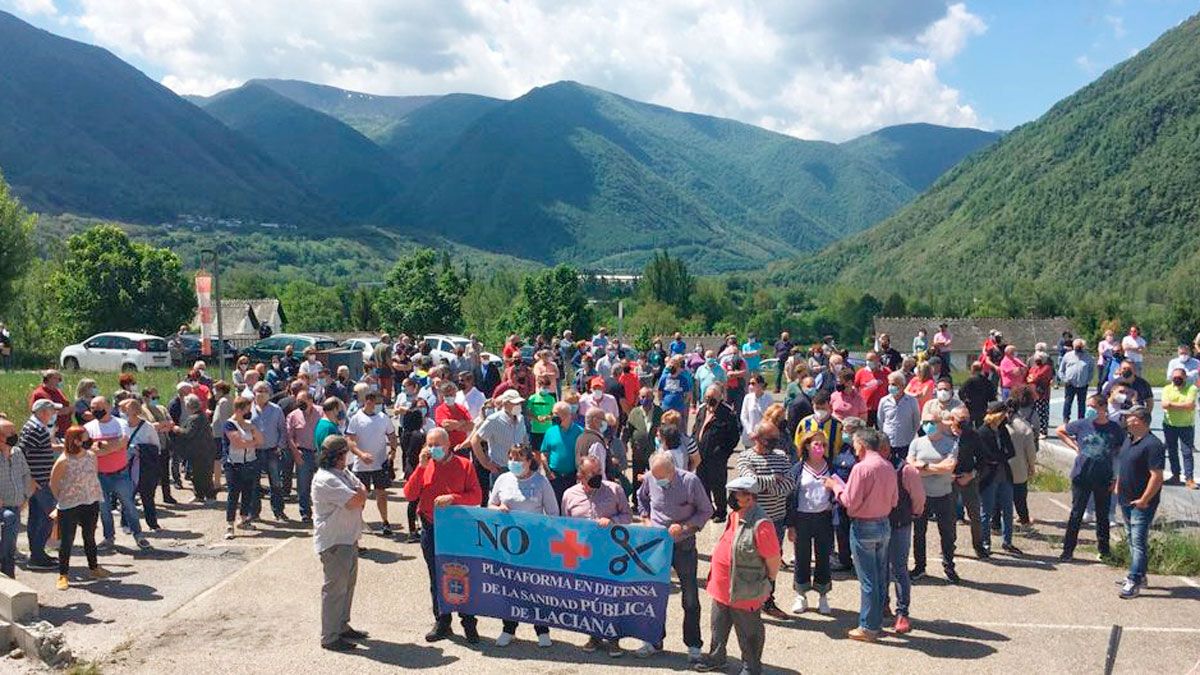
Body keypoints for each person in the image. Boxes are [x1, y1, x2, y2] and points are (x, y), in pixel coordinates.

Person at [692, 475, 779, 675]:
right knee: (718, 627)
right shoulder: (735, 514)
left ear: (749, 497)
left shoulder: (761, 524)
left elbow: (772, 559)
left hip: (745, 589)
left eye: (736, 494)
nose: (731, 498)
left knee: (749, 633)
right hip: (722, 586)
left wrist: (768, 583)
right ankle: (716, 658)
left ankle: (751, 667)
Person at [403, 427, 483, 642]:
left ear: (448, 445)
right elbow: (409, 494)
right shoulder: (424, 466)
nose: (433, 449)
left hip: (457, 528)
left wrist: (453, 498)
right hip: (430, 526)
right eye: (430, 444)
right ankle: (442, 621)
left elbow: (476, 496)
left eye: (437, 445)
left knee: (462, 574)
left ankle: (469, 622)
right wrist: (420, 468)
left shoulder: (464, 465)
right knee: (436, 575)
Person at [636, 450, 712, 662]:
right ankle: (653, 640)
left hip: (683, 545)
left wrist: (686, 526)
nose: (657, 480)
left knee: (690, 598)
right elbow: (641, 499)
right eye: (655, 476)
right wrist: (645, 519)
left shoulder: (690, 481)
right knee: (654, 595)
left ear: (673, 470)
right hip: (657, 546)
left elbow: (706, 511)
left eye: (662, 477)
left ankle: (694, 645)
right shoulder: (651, 478)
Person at [826, 428, 898, 642]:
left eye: (856, 444)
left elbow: (850, 502)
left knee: (868, 580)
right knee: (879, 576)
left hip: (864, 526)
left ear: (863, 445)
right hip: (884, 524)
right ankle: (876, 621)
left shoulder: (861, 468)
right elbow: (894, 500)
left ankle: (868, 627)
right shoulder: (888, 466)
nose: (854, 448)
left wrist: (836, 487)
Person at [488, 444, 558, 647]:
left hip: (534, 543)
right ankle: (509, 628)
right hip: (508, 544)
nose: (514, 463)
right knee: (510, 587)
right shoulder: (503, 479)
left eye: (519, 459)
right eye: (511, 458)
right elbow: (490, 505)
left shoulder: (541, 481)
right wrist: (498, 508)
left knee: (536, 588)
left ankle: (542, 629)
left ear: (529, 461)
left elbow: (553, 513)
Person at [561, 454, 631, 657]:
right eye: (591, 473)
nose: (597, 476)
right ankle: (594, 636)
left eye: (599, 472)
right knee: (589, 597)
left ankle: (614, 639)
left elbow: (627, 516)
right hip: (583, 556)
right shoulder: (569, 495)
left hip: (611, 554)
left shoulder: (614, 490)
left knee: (612, 597)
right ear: (580, 475)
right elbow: (565, 526)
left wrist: (612, 521)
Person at [311, 435, 368, 651]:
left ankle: (342, 625)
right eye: (345, 453)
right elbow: (358, 499)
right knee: (335, 589)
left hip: (348, 538)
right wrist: (359, 494)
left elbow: (361, 489)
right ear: (338, 456)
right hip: (335, 542)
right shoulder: (327, 479)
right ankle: (330, 636)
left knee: (347, 586)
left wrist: (359, 493)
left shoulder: (342, 473)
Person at [735, 422, 794, 620]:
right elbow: (749, 483)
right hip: (751, 521)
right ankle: (747, 600)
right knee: (749, 561)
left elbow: (789, 484)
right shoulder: (745, 457)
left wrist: (767, 485)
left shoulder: (781, 457)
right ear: (757, 438)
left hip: (775, 519)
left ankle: (768, 601)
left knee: (772, 563)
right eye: (770, 440)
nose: (774, 444)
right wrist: (773, 479)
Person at [1056, 395, 1123, 561]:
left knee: (1102, 516)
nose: (1089, 410)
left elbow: (1119, 452)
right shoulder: (1081, 424)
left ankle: (1104, 551)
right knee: (1076, 514)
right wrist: (1074, 446)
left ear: (1102, 408)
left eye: (1092, 406)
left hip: (1103, 476)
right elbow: (1060, 430)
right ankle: (1068, 550)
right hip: (1081, 476)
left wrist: (1116, 477)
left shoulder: (1114, 428)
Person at [84, 398, 150, 550]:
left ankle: (138, 535)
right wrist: (111, 446)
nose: (95, 411)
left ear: (107, 407)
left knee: (129, 505)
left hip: (120, 473)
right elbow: (89, 448)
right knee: (104, 509)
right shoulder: (88, 427)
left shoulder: (121, 423)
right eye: (92, 408)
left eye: (98, 407)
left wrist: (101, 447)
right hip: (99, 475)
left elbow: (123, 443)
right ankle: (109, 537)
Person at [49, 426, 110, 589]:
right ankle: (63, 574)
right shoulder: (63, 460)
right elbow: (53, 483)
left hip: (90, 502)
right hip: (69, 505)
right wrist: (62, 498)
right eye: (85, 437)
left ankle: (93, 567)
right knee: (67, 540)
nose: (89, 440)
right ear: (76, 441)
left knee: (89, 537)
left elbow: (93, 475)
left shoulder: (91, 456)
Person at [1115, 406, 1164, 598]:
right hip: (1126, 499)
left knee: (1137, 542)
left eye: (1130, 417)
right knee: (1131, 539)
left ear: (1140, 421)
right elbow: (1124, 464)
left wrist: (1144, 499)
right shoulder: (1129, 439)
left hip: (1141, 503)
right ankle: (1140, 575)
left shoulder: (1153, 445)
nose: (1126, 420)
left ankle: (1134, 580)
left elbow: (1157, 476)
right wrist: (1118, 484)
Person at [786, 430, 836, 614]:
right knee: (802, 557)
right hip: (802, 519)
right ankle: (801, 595)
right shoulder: (798, 469)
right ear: (807, 445)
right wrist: (790, 525)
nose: (820, 448)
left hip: (824, 518)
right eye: (816, 444)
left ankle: (823, 595)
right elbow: (790, 498)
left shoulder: (831, 466)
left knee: (823, 556)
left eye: (823, 445)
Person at [908, 410, 961, 583]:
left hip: (943, 495)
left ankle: (949, 566)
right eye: (925, 422)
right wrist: (935, 468)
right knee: (919, 533)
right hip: (921, 496)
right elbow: (911, 467)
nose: (928, 426)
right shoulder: (916, 443)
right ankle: (919, 566)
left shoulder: (951, 444)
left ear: (939, 423)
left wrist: (925, 467)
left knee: (946, 532)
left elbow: (949, 467)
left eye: (931, 422)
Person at [884, 435, 925, 635]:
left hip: (900, 524)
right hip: (879, 523)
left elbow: (918, 498)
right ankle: (883, 605)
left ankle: (902, 612)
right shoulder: (873, 467)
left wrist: (914, 513)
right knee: (880, 568)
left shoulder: (906, 469)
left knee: (899, 568)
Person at [346, 391, 398, 537]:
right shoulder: (356, 418)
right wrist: (361, 455)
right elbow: (350, 440)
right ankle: (357, 523)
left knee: (382, 494)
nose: (380, 406)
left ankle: (385, 522)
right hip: (361, 466)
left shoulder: (383, 418)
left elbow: (392, 435)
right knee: (361, 496)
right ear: (369, 401)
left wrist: (393, 451)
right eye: (378, 402)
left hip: (380, 464)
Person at [21, 399, 64, 569]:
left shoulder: (35, 427)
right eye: (52, 410)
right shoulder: (36, 428)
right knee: (50, 516)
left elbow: (38, 449)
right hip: (39, 481)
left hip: (39, 480)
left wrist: (57, 448)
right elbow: (23, 454)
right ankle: (37, 556)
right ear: (43, 412)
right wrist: (30, 478)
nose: (54, 414)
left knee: (37, 517)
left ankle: (37, 553)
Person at [693, 385, 741, 522]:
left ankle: (721, 512)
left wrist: (722, 453)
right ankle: (708, 510)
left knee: (718, 485)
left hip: (717, 458)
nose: (710, 400)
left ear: (720, 397)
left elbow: (734, 437)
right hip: (700, 456)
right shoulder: (702, 410)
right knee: (702, 485)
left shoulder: (727, 413)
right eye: (707, 397)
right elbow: (696, 428)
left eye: (713, 397)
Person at [976, 402, 1019, 556]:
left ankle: (1008, 542)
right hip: (989, 476)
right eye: (1003, 413)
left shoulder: (1002, 430)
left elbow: (1011, 451)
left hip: (1004, 474)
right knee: (986, 511)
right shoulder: (982, 432)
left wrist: (999, 457)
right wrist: (999, 457)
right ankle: (985, 542)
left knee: (1008, 509)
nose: (1005, 417)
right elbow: (987, 455)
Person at [222, 397, 264, 539]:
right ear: (239, 409)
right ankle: (230, 524)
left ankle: (244, 519)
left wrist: (251, 433)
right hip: (234, 464)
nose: (248, 412)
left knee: (247, 492)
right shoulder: (229, 425)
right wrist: (251, 442)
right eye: (246, 409)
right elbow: (237, 443)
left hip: (250, 462)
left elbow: (261, 441)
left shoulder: (249, 424)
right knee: (233, 494)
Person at [0, 418, 35, 578]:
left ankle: (9, 578)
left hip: (16, 505)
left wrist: (26, 497)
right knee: (9, 520)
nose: (16, 435)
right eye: (11, 433)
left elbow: (25, 474)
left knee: (9, 546)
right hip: (3, 507)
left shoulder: (17, 452)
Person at [123, 399, 163, 531]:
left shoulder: (147, 427)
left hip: (144, 467)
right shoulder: (122, 426)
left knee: (147, 496)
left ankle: (152, 523)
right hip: (126, 466)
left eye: (129, 411)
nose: (127, 414)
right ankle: (126, 523)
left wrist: (140, 449)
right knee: (127, 496)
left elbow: (156, 447)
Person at [174, 395, 215, 502]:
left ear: (189, 406)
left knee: (204, 474)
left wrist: (177, 429)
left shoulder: (195, 418)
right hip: (200, 450)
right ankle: (199, 495)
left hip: (201, 451)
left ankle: (210, 496)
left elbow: (189, 433)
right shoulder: (200, 416)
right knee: (196, 474)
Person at [542, 402, 585, 504]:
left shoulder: (580, 432)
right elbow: (544, 454)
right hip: (554, 477)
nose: (553, 416)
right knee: (555, 505)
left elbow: (584, 455)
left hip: (573, 477)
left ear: (567, 415)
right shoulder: (550, 431)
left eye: (556, 414)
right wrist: (548, 472)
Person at [1161, 368, 1197, 489]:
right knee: (1172, 451)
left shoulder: (1192, 388)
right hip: (1169, 425)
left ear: (1185, 377)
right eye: (1174, 377)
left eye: (1179, 377)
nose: (1176, 379)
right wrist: (1182, 406)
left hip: (1186, 425)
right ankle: (1175, 475)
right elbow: (1164, 405)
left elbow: (1190, 405)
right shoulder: (1167, 389)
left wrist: (1172, 405)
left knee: (1187, 453)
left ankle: (1189, 478)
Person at [1006, 397, 1039, 526]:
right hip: (1019, 466)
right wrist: (1032, 466)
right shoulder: (1024, 427)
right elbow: (1030, 452)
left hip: (1002, 466)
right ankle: (1024, 519)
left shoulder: (1000, 423)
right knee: (1020, 496)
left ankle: (996, 523)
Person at [878, 372, 920, 459]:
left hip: (906, 442)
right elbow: (880, 420)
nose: (891, 387)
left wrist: (911, 437)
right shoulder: (884, 401)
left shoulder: (912, 401)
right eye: (889, 384)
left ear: (902, 385)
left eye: (894, 384)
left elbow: (916, 421)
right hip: (888, 442)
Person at [1058, 339, 1095, 424]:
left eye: (1080, 347)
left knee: (1082, 405)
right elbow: (1061, 370)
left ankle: (1081, 422)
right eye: (1076, 347)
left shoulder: (1088, 357)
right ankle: (1065, 421)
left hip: (1083, 385)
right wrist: (1065, 380)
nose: (1078, 348)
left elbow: (1091, 371)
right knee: (1068, 403)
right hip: (1070, 384)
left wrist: (1087, 381)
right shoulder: (1067, 356)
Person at [29, 370, 73, 437]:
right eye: (59, 379)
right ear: (50, 379)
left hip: (63, 429)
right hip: (49, 431)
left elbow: (65, 404)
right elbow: (37, 412)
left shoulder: (58, 392)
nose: (60, 381)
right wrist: (61, 412)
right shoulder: (39, 394)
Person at [854, 353, 889, 426]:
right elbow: (855, 387)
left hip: (881, 408)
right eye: (867, 360)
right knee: (865, 431)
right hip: (865, 409)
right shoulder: (861, 372)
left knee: (880, 431)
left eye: (871, 360)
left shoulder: (886, 372)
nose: (868, 362)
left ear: (878, 360)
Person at [958, 362, 996, 427]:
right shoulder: (987, 381)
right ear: (981, 369)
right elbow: (992, 394)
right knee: (981, 426)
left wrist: (965, 400)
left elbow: (961, 392)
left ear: (972, 369)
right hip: (983, 406)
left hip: (971, 406)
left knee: (969, 426)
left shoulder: (969, 380)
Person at [739, 375, 773, 448]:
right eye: (749, 383)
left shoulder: (769, 398)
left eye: (753, 383)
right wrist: (750, 432)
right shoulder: (747, 398)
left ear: (761, 384)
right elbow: (743, 416)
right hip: (750, 436)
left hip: (764, 436)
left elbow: (771, 417)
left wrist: (763, 432)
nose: (750, 386)